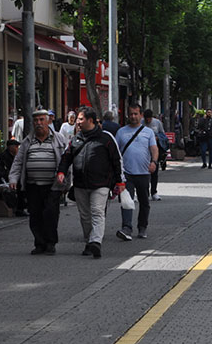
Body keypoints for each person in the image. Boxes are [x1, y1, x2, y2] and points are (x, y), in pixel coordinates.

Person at [57, 107, 124, 259]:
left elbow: (116, 161)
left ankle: (96, 242)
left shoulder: (105, 139)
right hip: (80, 184)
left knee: (97, 212)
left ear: (90, 120)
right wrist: (61, 172)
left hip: (101, 184)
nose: (78, 122)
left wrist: (119, 181)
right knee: (85, 216)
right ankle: (90, 242)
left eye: (80, 119)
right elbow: (66, 157)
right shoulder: (75, 140)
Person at [9, 110, 70, 255]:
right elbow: (18, 162)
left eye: (42, 120)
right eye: (36, 121)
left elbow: (68, 162)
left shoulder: (59, 139)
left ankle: (50, 243)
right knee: (35, 215)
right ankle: (39, 243)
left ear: (48, 121)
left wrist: (66, 183)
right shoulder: (27, 142)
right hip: (32, 185)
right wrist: (13, 179)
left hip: (53, 185)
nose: (39, 123)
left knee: (50, 213)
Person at [116, 104, 158, 241]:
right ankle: (126, 228)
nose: (133, 117)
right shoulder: (121, 132)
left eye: (136, 114)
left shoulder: (148, 132)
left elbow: (154, 149)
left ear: (141, 115)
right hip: (126, 173)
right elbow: (115, 153)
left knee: (144, 201)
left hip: (144, 173)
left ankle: (142, 227)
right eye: (131, 114)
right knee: (126, 201)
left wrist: (154, 162)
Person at [0, 139, 27, 216]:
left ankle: (23, 206)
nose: (17, 148)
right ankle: (20, 209)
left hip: (10, 177)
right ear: (10, 147)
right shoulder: (5, 156)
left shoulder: (14, 156)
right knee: (20, 186)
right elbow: (7, 170)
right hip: (5, 179)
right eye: (16, 147)